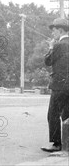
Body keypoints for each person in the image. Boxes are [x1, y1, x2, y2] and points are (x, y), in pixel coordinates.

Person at [41, 18, 69, 153]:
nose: (53, 34)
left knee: (53, 114)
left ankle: (56, 143)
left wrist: (51, 47)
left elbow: (48, 61)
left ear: (61, 30)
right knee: (67, 115)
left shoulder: (58, 45)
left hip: (59, 85)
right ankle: (67, 143)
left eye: (54, 31)